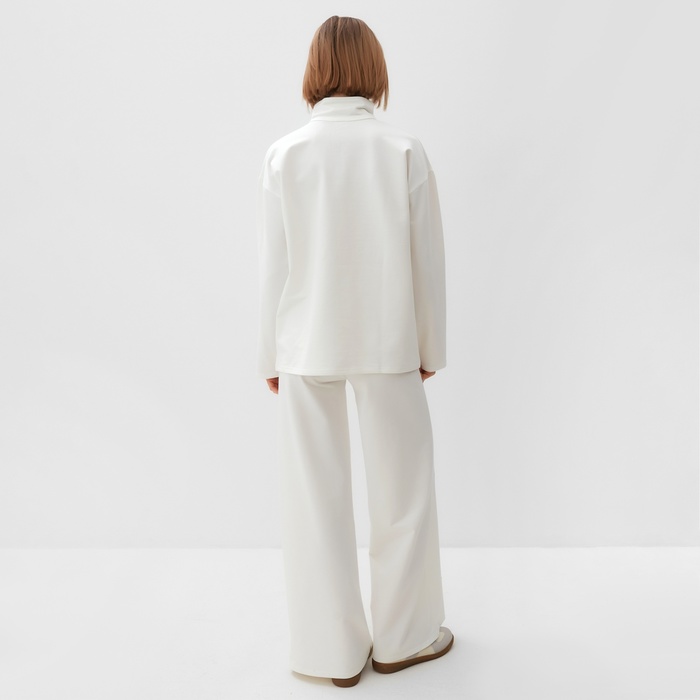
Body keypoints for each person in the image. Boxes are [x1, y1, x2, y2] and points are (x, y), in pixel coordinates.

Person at [256, 15, 453, 688]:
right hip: (389, 339)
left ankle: (328, 654)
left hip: (305, 344)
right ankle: (405, 638)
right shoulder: (403, 150)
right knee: (404, 495)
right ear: (375, 69)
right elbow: (426, 260)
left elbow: (273, 266)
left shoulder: (285, 154)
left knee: (314, 501)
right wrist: (430, 344)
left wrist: (269, 357)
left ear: (314, 70)